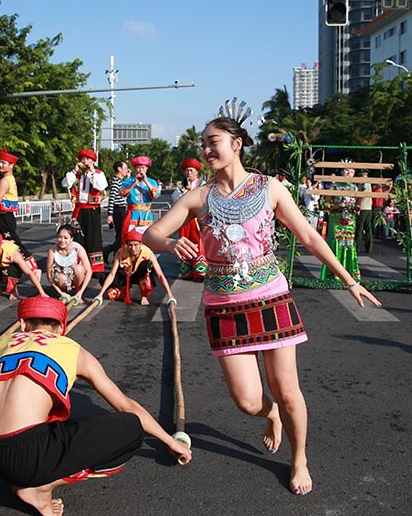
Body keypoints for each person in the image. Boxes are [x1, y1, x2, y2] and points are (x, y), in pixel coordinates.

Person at [143, 114, 380, 496]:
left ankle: (299, 457)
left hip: (271, 297)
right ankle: (272, 416)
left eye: (212, 141)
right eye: (203, 143)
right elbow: (151, 232)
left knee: (288, 390)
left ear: (236, 144)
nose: (206, 150)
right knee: (248, 400)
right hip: (224, 306)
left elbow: (306, 235)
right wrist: (170, 244)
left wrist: (348, 279)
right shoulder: (198, 197)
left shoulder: (270, 188)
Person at [0, 296, 191, 516]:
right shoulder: (74, 350)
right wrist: (170, 441)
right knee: (131, 429)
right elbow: (126, 406)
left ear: (22, 324)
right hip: (27, 457)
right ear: (61, 328)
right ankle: (39, 487)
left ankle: (24, 472)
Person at [0, 148, 35, 259]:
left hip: (4, 219)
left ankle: (31, 266)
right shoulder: (10, 179)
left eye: (3, 163)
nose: (0, 165)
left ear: (11, 165)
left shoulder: (4, 181)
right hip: (4, 217)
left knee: (14, 244)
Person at [96, 230, 175, 306]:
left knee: (147, 265)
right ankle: (124, 289)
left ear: (141, 244)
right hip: (126, 275)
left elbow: (160, 275)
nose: (133, 248)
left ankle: (144, 296)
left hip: (140, 275)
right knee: (104, 279)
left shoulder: (148, 253)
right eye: (130, 245)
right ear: (127, 244)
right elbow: (112, 274)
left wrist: (170, 295)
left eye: (135, 245)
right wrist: (100, 294)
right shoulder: (121, 252)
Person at [62, 149, 108, 274]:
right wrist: (75, 170)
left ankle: (95, 267)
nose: (84, 161)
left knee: (93, 237)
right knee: (77, 236)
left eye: (87, 159)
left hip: (92, 209)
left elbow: (100, 185)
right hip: (79, 209)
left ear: (93, 161)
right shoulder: (76, 175)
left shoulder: (98, 173)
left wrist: (92, 170)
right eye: (82, 159)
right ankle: (75, 264)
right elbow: (65, 183)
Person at [319, 162, 361, 281]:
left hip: (350, 220)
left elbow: (357, 204)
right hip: (336, 219)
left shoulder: (355, 187)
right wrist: (337, 206)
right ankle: (333, 273)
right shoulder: (334, 186)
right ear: (341, 171)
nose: (349, 173)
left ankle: (349, 272)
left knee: (349, 245)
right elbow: (326, 205)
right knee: (335, 244)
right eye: (346, 170)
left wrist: (357, 208)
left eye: (352, 171)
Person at [170, 158, 207, 281]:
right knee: (185, 243)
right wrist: (183, 192)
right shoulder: (180, 186)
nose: (188, 173)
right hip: (185, 220)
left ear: (196, 172)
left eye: (191, 170)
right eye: (186, 171)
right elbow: (175, 200)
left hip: (198, 219)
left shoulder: (202, 185)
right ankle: (187, 270)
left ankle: (200, 271)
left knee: (199, 243)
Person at [46, 223, 92, 304]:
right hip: (62, 278)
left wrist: (81, 292)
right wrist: (60, 292)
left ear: (71, 239)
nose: (62, 240)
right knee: (60, 277)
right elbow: (49, 275)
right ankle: (65, 293)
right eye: (60, 237)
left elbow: (89, 271)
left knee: (79, 269)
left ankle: (77, 293)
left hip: (75, 278)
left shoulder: (78, 248)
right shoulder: (52, 251)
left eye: (66, 238)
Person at [119, 156, 160, 235]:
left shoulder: (152, 182)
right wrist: (134, 183)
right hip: (132, 215)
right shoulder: (128, 181)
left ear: (146, 169)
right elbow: (122, 193)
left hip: (146, 216)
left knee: (146, 240)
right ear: (135, 169)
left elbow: (155, 195)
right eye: (138, 168)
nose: (141, 170)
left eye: (143, 167)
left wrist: (146, 181)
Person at [103, 160, 130, 264]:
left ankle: (108, 251)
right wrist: (109, 214)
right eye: (125, 168)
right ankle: (116, 259)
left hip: (122, 209)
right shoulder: (115, 182)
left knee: (122, 235)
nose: (127, 170)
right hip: (118, 210)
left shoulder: (121, 182)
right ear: (119, 169)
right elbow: (112, 199)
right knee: (120, 235)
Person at [354, 169, 374, 253]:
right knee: (368, 228)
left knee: (359, 228)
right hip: (368, 208)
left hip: (363, 208)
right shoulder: (368, 183)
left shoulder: (364, 184)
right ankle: (369, 247)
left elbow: (363, 196)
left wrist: (358, 207)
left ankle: (356, 247)